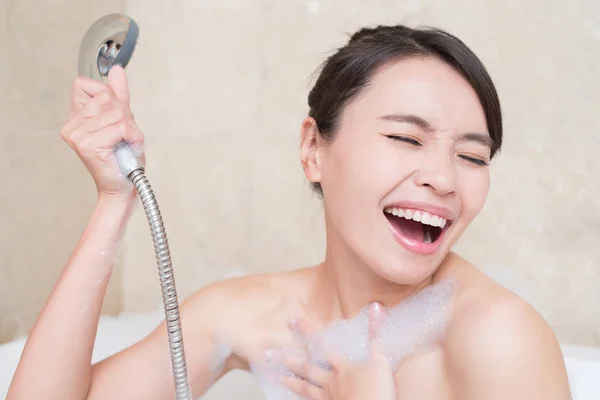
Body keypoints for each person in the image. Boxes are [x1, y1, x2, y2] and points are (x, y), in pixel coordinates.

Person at [8, 24, 572, 400]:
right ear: (312, 150)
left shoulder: (498, 336)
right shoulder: (249, 314)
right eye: (405, 138)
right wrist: (114, 198)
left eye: (473, 155)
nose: (445, 178)